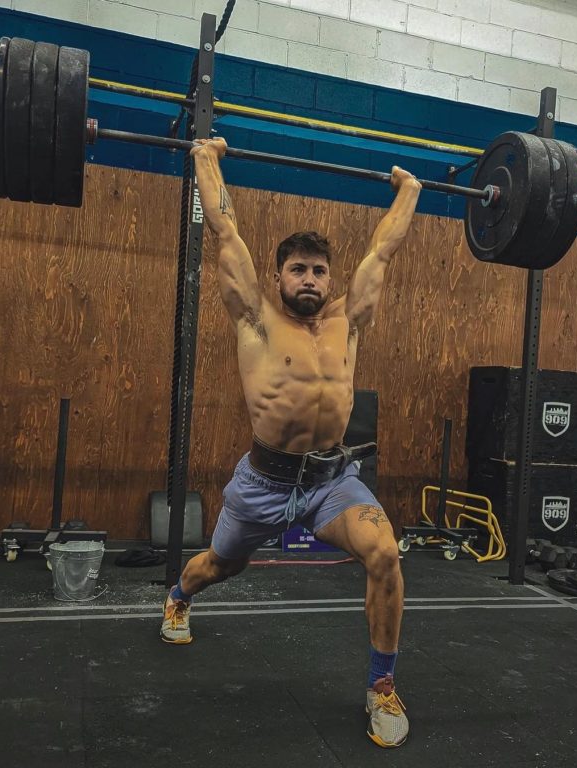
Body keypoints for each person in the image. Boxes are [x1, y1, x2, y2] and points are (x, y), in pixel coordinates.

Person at [160, 136, 421, 749]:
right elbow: (224, 233)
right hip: (264, 482)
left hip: (332, 482)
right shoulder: (254, 316)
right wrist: (205, 159)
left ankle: (381, 684)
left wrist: (410, 190)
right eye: (298, 269)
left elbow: (383, 249)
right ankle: (178, 596)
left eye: (319, 271)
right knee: (220, 566)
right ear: (278, 275)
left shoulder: (348, 320)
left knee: (384, 552)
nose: (310, 279)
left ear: (331, 279)